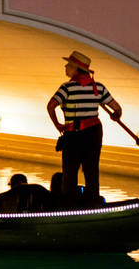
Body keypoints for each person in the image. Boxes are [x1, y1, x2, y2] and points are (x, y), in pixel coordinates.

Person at [46, 50, 122, 206]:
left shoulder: (67, 88)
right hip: (93, 133)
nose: (66, 67)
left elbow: (50, 106)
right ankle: (92, 204)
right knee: (91, 171)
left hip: (73, 134)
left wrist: (58, 125)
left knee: (70, 173)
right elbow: (117, 108)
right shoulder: (98, 88)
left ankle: (69, 206)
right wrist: (116, 115)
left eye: (68, 65)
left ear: (75, 68)